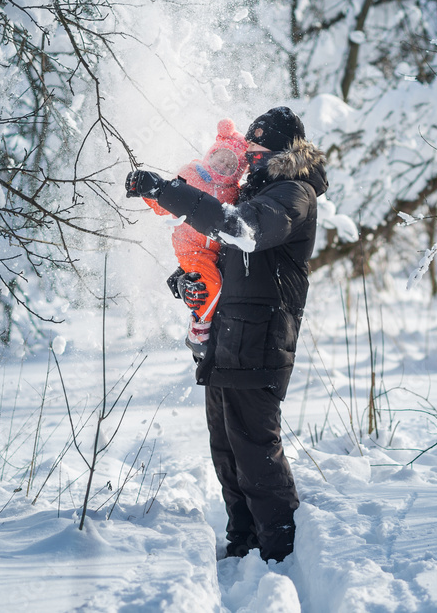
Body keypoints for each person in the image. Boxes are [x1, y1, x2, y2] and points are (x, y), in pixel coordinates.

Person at [125, 106, 328, 562]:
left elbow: (243, 232)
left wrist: (170, 192)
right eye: (248, 148)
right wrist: (187, 280)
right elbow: (227, 260)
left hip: (261, 342)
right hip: (229, 340)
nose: (248, 156)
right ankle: (243, 543)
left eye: (258, 149)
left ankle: (280, 552)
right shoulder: (255, 193)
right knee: (228, 451)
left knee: (256, 451)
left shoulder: (292, 193)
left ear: (281, 152)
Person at [141, 119, 248, 355]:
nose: (223, 165)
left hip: (216, 252)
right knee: (213, 284)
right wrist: (147, 191)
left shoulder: (235, 192)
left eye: (231, 165)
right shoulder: (191, 174)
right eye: (221, 157)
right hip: (192, 249)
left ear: (238, 173)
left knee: (216, 285)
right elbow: (164, 203)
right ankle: (198, 328)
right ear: (211, 153)